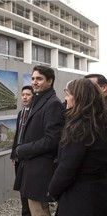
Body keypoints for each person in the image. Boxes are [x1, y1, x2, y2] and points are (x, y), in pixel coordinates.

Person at [48, 79, 107, 216]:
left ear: (79, 98)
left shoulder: (79, 129)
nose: (65, 98)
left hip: (79, 199)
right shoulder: (100, 123)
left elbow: (66, 169)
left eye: (68, 94)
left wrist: (52, 192)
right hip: (100, 195)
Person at [13, 65, 64, 216]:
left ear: (50, 81)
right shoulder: (39, 100)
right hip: (32, 167)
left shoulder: (52, 103)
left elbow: (52, 140)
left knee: (39, 211)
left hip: (40, 170)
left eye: (39, 79)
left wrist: (23, 149)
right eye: (33, 78)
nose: (34, 82)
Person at [11, 85, 34, 216]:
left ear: (33, 96)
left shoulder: (34, 113)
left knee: (29, 186)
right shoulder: (21, 113)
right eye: (23, 94)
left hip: (29, 156)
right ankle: (25, 211)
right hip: (19, 157)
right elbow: (17, 134)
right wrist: (14, 154)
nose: (25, 97)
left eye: (28, 95)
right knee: (21, 186)